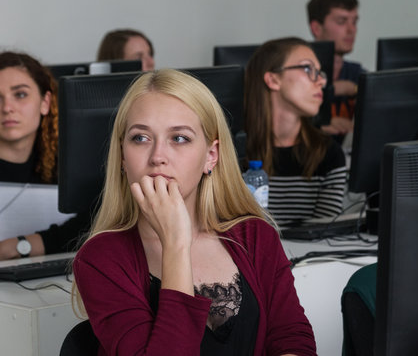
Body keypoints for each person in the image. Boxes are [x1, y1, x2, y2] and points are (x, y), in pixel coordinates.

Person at [72, 69, 316, 355]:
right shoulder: (101, 258)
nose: (157, 157)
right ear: (123, 158)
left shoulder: (255, 236)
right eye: (140, 138)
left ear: (210, 156)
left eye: (179, 138)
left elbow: (292, 339)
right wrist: (176, 244)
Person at [243, 37, 347, 226]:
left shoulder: (329, 153)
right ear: (273, 79)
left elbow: (323, 232)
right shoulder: (233, 153)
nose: (322, 81)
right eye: (308, 69)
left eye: (320, 72)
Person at [0, 51, 90, 260]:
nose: (7, 108)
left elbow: (98, 222)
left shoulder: (68, 167)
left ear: (45, 102)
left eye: (20, 94)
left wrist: (21, 246)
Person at [307, 0, 365, 139]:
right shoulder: (300, 75)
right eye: (342, 21)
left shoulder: (358, 73)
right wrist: (317, 122)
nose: (352, 30)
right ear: (317, 28)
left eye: (354, 21)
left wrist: (357, 89)